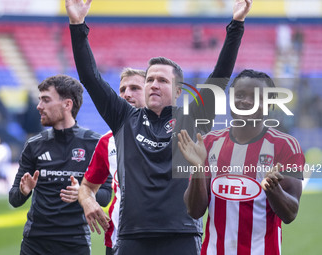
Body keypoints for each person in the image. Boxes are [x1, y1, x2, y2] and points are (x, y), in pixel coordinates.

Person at [66, 0, 252, 254]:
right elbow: (90, 77)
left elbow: (220, 76)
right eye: (150, 79)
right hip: (132, 237)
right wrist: (77, 25)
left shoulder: (192, 117)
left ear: (177, 92)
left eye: (162, 80)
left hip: (182, 235)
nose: (153, 84)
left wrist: (237, 24)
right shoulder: (123, 118)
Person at [178, 69, 305, 255]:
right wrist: (198, 169)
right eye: (240, 95)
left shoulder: (285, 146)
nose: (246, 101)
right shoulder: (209, 143)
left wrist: (273, 189)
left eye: (256, 97)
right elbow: (194, 211)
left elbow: (290, 214)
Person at [9, 75, 112, 255]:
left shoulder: (95, 144)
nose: (39, 106)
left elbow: (106, 195)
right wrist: (24, 191)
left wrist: (84, 192)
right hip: (35, 242)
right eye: (40, 99)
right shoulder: (34, 144)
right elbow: (14, 199)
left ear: (67, 104)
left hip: (74, 243)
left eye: (46, 100)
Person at [80, 68, 146, 255]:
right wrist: (87, 201)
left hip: (165, 240)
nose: (126, 94)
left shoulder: (175, 135)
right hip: (119, 239)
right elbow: (87, 186)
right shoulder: (107, 141)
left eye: (134, 88)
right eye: (123, 89)